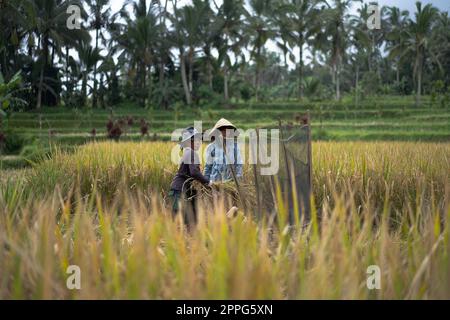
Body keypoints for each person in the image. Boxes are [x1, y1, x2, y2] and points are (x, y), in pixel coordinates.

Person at [169, 127, 210, 225]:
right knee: (184, 219)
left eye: (199, 140)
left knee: (184, 219)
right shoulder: (191, 153)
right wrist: (207, 182)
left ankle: (187, 238)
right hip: (180, 190)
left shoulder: (187, 153)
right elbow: (194, 172)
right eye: (195, 140)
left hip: (182, 189)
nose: (199, 142)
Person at [204, 118, 243, 183]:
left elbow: (238, 165)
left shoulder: (235, 147)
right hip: (214, 182)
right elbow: (208, 166)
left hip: (230, 182)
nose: (226, 133)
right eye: (223, 130)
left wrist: (237, 181)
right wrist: (205, 182)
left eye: (228, 130)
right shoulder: (211, 147)